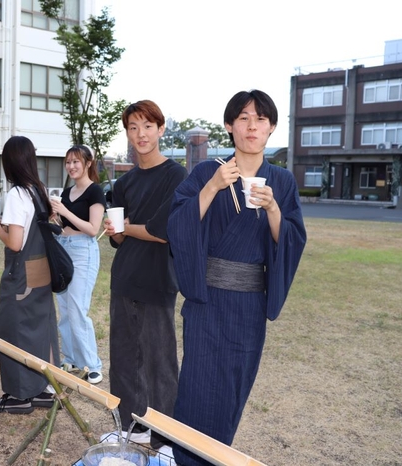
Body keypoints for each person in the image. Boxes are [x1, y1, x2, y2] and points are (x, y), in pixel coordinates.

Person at [167, 90, 307, 466]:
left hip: (248, 306)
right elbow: (178, 226)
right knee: (197, 389)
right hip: (206, 301)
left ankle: (215, 457)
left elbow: (292, 239)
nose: (252, 126)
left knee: (231, 390)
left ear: (271, 128)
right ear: (229, 126)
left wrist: (275, 208)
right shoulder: (204, 172)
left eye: (260, 119)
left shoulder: (282, 181)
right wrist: (213, 186)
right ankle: (187, 460)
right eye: (243, 118)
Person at [99, 100, 187, 449]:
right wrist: (116, 229)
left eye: (147, 126)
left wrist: (130, 227)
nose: (140, 134)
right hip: (124, 277)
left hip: (158, 278)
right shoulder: (125, 182)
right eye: (133, 128)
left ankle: (165, 437)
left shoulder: (176, 175)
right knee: (123, 357)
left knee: (159, 362)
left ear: (161, 129)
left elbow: (162, 230)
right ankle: (129, 426)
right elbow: (121, 238)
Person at [0, 136, 59, 414]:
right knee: (40, 328)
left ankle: (19, 395)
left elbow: (14, 242)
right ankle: (44, 389)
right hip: (42, 269)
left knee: (15, 330)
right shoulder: (39, 190)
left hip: (21, 273)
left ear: (9, 162)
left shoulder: (16, 195)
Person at [49, 145, 105, 384]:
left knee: (77, 308)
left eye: (76, 162)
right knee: (64, 308)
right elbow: (64, 227)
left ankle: (92, 365)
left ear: (88, 163)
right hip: (63, 248)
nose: (71, 166)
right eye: (68, 162)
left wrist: (65, 212)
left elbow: (93, 229)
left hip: (84, 251)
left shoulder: (95, 192)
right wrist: (55, 217)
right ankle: (70, 358)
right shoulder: (66, 192)